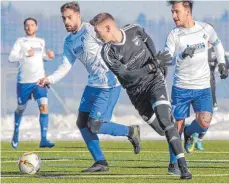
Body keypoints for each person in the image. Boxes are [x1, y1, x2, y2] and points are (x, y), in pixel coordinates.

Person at [37, 2, 140, 172]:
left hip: (109, 84)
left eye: (69, 17)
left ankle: (130, 131)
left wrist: (126, 67)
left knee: (95, 125)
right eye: (64, 18)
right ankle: (100, 162)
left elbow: (114, 40)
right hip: (92, 84)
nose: (66, 21)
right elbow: (66, 65)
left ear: (79, 15)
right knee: (82, 123)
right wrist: (50, 79)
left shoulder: (91, 30)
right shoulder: (69, 41)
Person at [90, 12, 192, 179]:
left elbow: (148, 41)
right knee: (161, 130)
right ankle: (183, 131)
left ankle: (182, 166)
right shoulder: (107, 52)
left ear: (108, 28)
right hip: (136, 93)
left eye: (97, 31)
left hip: (154, 82)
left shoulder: (134, 29)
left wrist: (156, 63)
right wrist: (153, 65)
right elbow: (127, 75)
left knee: (166, 122)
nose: (96, 35)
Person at [164, 0, 228, 174]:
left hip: (202, 87)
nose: (174, 16)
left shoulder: (205, 29)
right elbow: (168, 57)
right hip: (181, 87)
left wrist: (222, 63)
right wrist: (180, 55)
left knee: (205, 121)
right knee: (176, 125)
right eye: (172, 12)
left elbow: (217, 44)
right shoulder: (174, 35)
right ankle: (173, 163)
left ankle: (189, 132)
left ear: (187, 11)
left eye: (176, 11)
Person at [8, 17, 55, 148]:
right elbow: (11, 58)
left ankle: (44, 139)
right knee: (21, 108)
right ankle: (16, 133)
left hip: (39, 81)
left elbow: (42, 57)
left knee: (44, 106)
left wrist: (49, 56)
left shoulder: (41, 42)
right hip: (24, 82)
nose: (29, 27)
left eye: (32, 25)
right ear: (24, 27)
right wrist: (25, 54)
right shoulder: (20, 41)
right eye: (27, 25)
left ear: (36, 27)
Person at [194, 41, 229, 151]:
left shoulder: (216, 51)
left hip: (210, 89)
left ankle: (198, 137)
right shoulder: (197, 48)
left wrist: (225, 70)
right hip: (197, 87)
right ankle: (192, 132)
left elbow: (225, 64)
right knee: (200, 114)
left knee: (209, 116)